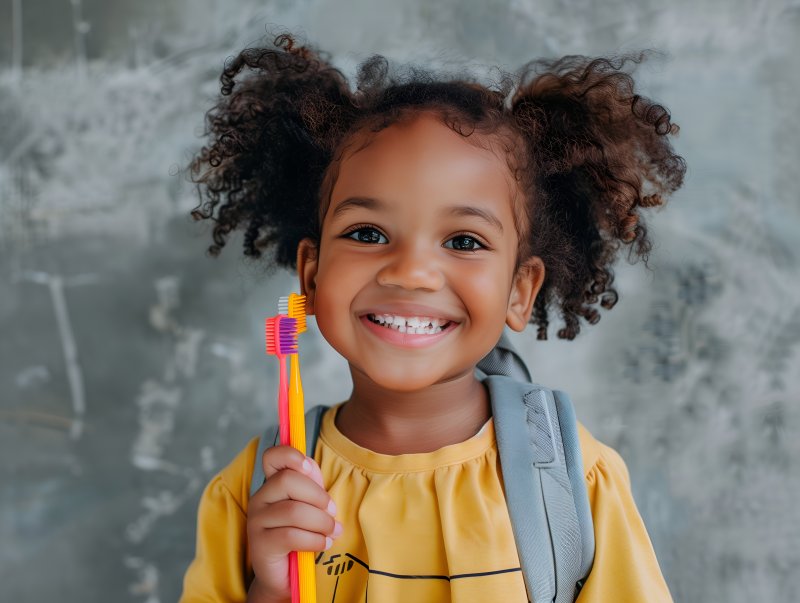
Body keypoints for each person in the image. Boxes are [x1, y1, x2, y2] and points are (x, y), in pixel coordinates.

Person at [180, 31, 685, 603]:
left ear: (520, 291)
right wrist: (269, 589)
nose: (411, 272)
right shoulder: (256, 491)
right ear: (312, 275)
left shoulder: (576, 482)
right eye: (368, 234)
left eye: (465, 241)